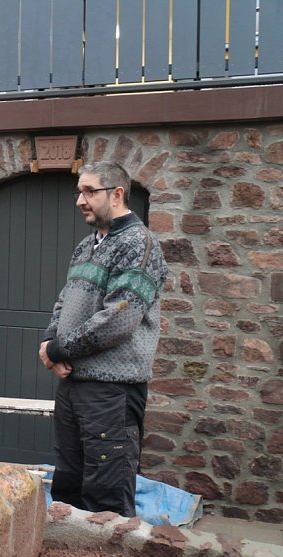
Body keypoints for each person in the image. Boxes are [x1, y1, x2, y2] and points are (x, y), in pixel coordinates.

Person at [38, 161, 168, 517]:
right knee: (68, 486)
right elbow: (65, 299)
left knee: (105, 494)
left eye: (89, 192)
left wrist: (59, 349)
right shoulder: (86, 246)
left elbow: (119, 319)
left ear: (117, 193)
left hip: (112, 392)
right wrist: (50, 341)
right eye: (79, 192)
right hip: (74, 385)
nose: (80, 200)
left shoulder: (139, 244)